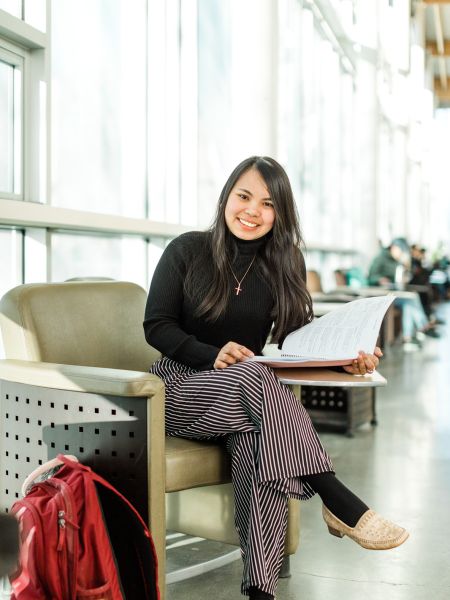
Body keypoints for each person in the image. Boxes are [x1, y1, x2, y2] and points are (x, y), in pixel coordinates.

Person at [143, 156, 408, 600]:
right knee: (254, 376)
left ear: (280, 213)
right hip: (179, 387)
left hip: (245, 399)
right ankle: (335, 496)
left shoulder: (285, 263)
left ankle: (260, 591)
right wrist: (212, 354)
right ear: (227, 196)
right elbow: (157, 325)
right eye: (243, 196)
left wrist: (347, 360)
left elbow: (293, 344)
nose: (251, 211)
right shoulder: (186, 250)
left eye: (267, 203)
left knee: (258, 442)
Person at [368, 239, 439, 348]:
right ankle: (423, 327)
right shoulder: (380, 258)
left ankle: (408, 337)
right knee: (411, 300)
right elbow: (371, 277)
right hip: (382, 294)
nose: (400, 254)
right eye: (400, 251)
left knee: (411, 300)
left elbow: (399, 277)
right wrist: (380, 279)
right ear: (394, 248)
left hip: (394, 292)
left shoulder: (396, 261)